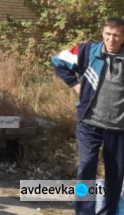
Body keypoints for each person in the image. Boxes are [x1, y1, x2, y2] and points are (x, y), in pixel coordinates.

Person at [51, 17, 124, 215]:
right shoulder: (87, 51)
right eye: (108, 34)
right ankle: (84, 212)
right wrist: (74, 84)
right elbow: (57, 60)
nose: (111, 39)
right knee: (86, 168)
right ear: (103, 33)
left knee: (115, 175)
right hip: (89, 123)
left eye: (116, 35)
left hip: (119, 128)